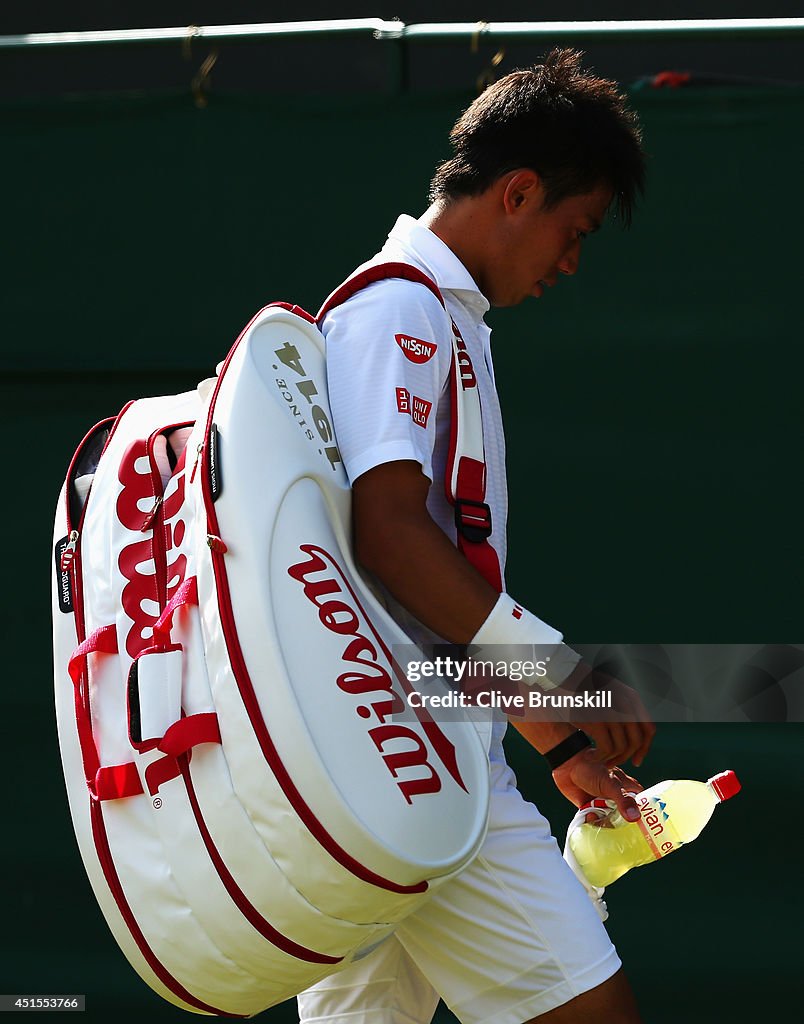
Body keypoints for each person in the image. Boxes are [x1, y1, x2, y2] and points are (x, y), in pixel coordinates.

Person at [299, 49, 655, 1024]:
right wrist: (559, 699)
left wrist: (561, 738)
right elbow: (393, 542)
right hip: (418, 778)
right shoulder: (399, 310)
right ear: (519, 191)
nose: (571, 263)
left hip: (383, 771)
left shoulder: (439, 320)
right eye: (572, 231)